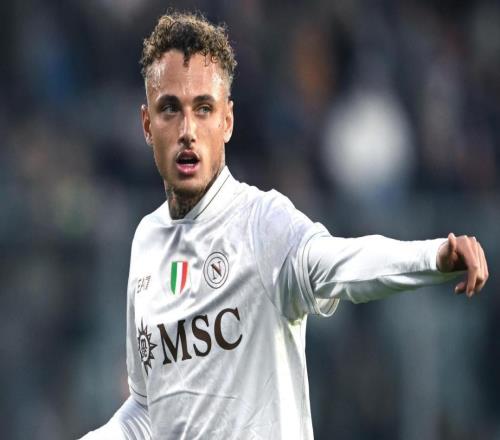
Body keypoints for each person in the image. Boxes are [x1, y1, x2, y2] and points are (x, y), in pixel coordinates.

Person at [79, 11, 489, 440]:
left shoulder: (262, 223)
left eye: (203, 109)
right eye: (170, 109)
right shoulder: (146, 241)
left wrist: (431, 256)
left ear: (227, 121)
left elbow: (339, 263)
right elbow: (148, 406)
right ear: (147, 124)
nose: (187, 131)